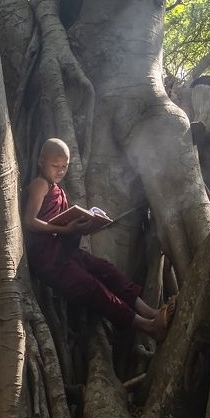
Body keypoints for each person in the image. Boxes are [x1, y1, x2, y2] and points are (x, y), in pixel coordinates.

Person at [23, 138, 171, 340]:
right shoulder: (40, 184)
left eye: (65, 166)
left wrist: (84, 226)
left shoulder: (58, 189)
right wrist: (66, 230)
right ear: (41, 162)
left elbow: (60, 224)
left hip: (66, 252)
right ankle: (147, 326)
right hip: (49, 261)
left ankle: (151, 312)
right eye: (54, 165)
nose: (60, 171)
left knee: (106, 269)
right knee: (94, 288)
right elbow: (29, 221)